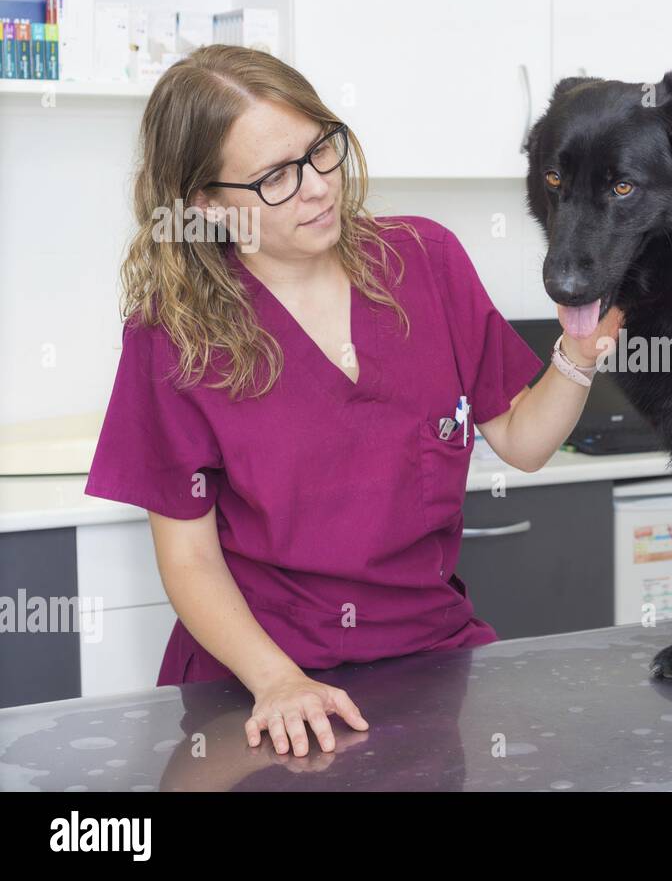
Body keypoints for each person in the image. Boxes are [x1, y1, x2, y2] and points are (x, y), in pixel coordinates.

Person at [84, 45, 623, 758]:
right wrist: (278, 680)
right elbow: (188, 557)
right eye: (276, 176)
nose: (316, 187)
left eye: (320, 150)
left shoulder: (425, 262)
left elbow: (522, 442)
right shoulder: (174, 334)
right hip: (256, 690)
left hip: (428, 665)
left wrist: (577, 359)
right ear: (207, 206)